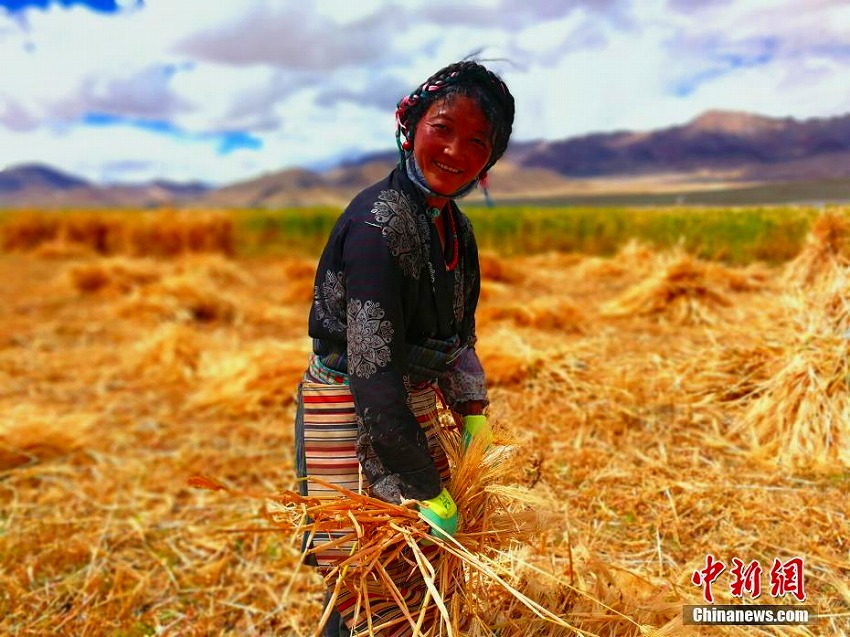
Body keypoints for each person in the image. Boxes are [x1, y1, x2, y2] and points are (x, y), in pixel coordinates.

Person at [294, 59, 515, 636]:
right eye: (441, 129)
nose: (454, 151)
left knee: (407, 579)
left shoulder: (453, 226)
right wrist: (422, 485)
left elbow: (458, 334)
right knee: (368, 580)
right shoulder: (379, 227)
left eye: (476, 141)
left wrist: (473, 412)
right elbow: (372, 371)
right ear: (410, 125)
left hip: (403, 404)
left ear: (490, 157)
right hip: (352, 407)